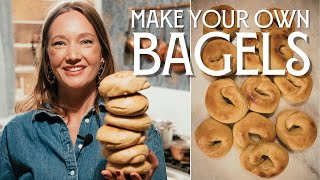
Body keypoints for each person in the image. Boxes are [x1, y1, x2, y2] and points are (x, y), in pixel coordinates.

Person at [0, 1, 166, 179]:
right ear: (47, 57)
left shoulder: (141, 135)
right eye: (59, 43)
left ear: (102, 54)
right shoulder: (16, 134)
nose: (73, 56)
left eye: (86, 41)